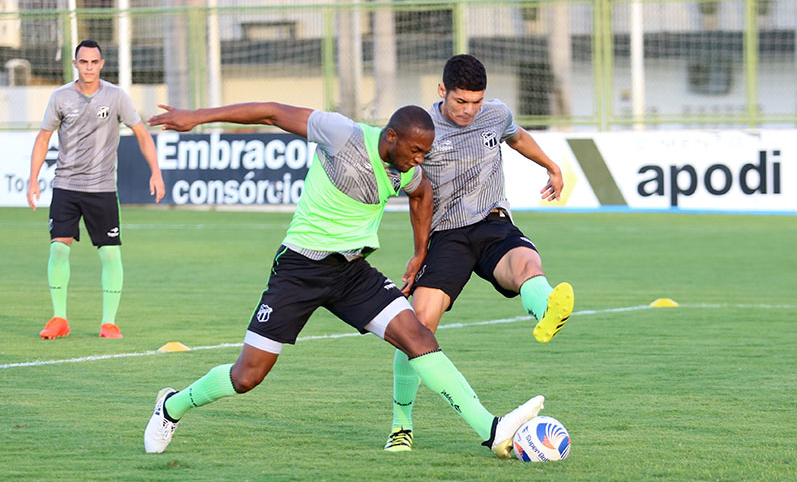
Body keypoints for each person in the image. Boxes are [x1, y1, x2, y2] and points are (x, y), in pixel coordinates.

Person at [143, 101, 545, 459]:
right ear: (391, 137)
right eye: (416, 151)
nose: (420, 161)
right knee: (247, 376)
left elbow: (423, 196)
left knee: (419, 337)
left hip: (352, 273)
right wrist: (196, 117)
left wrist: (420, 252)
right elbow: (272, 112)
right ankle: (172, 406)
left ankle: (491, 430)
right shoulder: (341, 134)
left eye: (425, 152)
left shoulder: (406, 170)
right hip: (299, 270)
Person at [384, 54, 573, 452]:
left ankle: (547, 310)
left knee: (526, 264)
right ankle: (402, 424)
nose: (469, 111)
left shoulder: (494, 114)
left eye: (476, 102)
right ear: (442, 92)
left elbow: (516, 135)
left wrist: (551, 167)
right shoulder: (423, 128)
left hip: (491, 223)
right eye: (460, 102)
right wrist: (419, 253)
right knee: (416, 328)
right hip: (446, 237)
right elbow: (412, 191)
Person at [27, 39, 165, 340]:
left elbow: (142, 133)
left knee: (110, 256)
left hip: (101, 189)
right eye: (83, 62)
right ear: (75, 64)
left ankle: (109, 323)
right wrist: (33, 179)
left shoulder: (116, 97)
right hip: (65, 186)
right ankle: (59, 318)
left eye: (94, 62)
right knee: (59, 248)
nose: (88, 67)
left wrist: (156, 172)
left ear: (101, 64)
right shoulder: (60, 97)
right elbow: (42, 138)